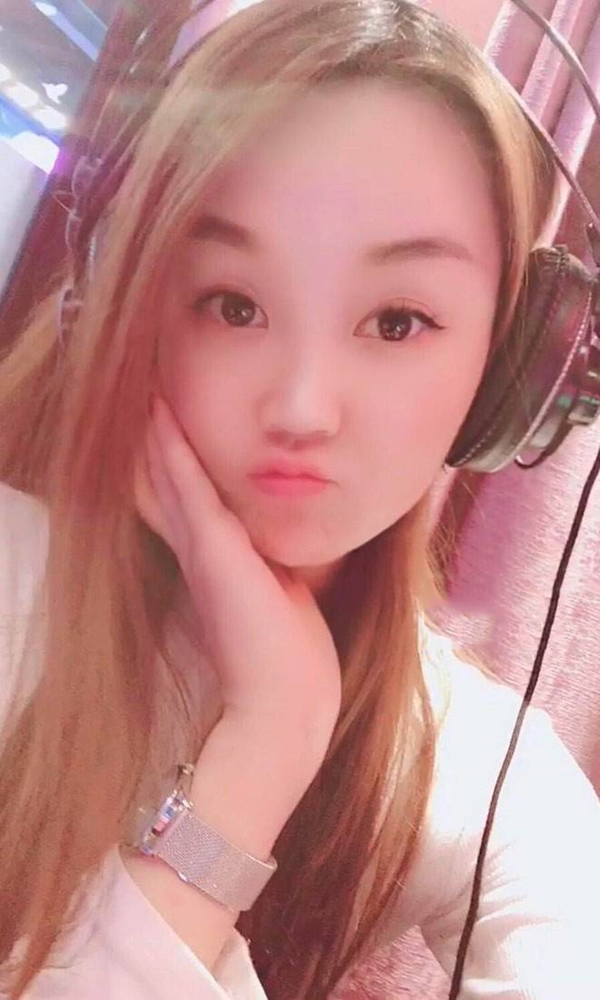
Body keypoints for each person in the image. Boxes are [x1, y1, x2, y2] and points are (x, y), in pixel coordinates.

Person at [0, 0, 599, 997]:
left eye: (398, 320)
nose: (302, 407)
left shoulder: (479, 765)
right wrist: (270, 736)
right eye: (234, 304)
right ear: (129, 299)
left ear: (509, 370)